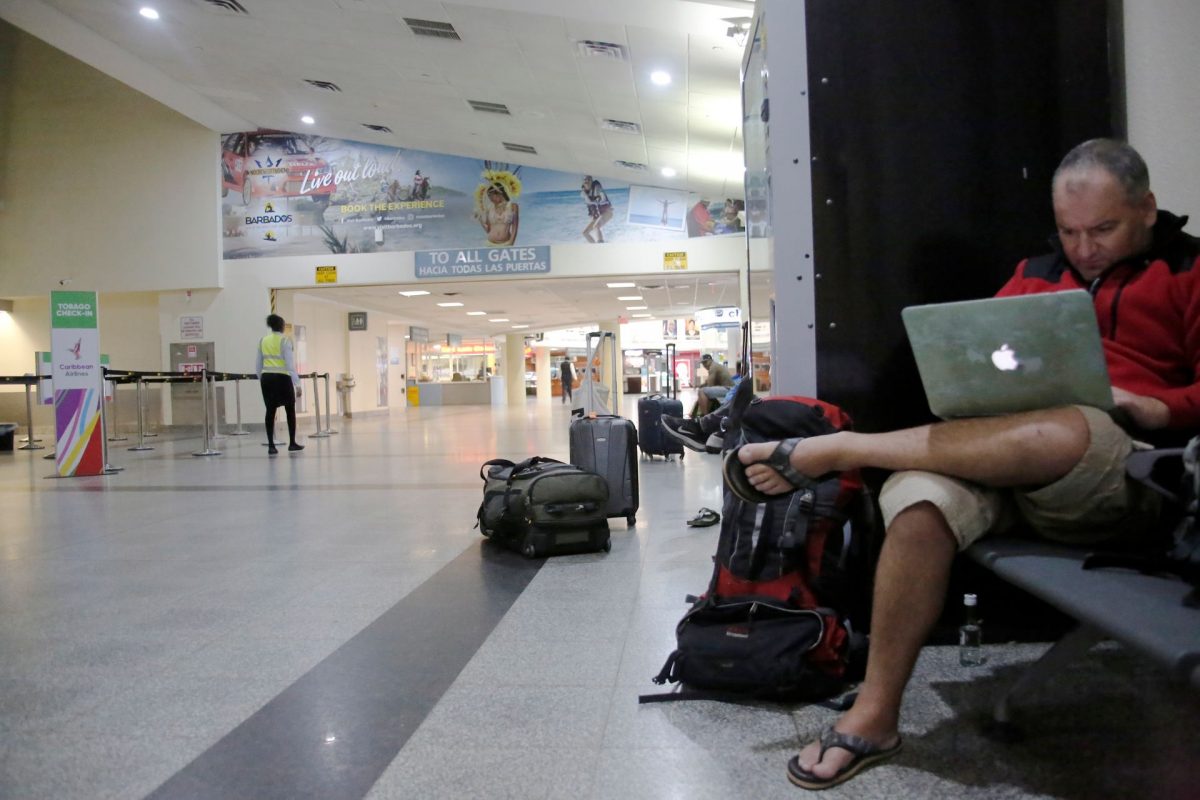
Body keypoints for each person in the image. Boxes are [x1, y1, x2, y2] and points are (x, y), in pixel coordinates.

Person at [729, 138, 1200, 790]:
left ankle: (848, 448)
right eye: (1069, 231)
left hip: (1116, 471)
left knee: (1070, 424)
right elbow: (983, 356)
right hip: (1002, 454)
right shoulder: (1034, 273)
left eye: (1103, 229)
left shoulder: (1189, 273)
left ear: (1147, 208)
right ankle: (875, 714)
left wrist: (1154, 407)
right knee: (921, 501)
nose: (1084, 248)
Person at [255, 314, 304, 456]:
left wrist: (261, 378)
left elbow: (258, 364)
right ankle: (292, 443)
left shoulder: (262, 341)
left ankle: (271, 445)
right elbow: (290, 365)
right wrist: (297, 383)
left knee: (270, 411)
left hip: (267, 378)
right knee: (290, 410)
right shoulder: (285, 341)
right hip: (283, 378)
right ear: (282, 326)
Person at [581, 175, 614, 243]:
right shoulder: (585, 194)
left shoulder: (597, 188)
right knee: (585, 233)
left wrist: (607, 208)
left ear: (592, 182)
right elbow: (590, 207)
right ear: (583, 183)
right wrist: (592, 216)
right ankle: (595, 247)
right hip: (597, 216)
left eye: (589, 180)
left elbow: (602, 201)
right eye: (585, 180)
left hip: (607, 212)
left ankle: (601, 245)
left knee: (596, 226)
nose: (587, 181)